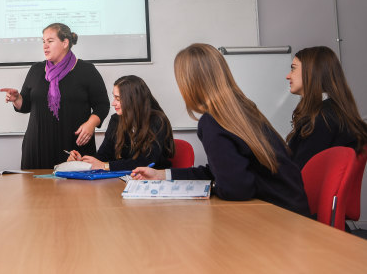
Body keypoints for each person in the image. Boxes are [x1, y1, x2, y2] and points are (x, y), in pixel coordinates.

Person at [132, 43, 310, 216]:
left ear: (191, 84)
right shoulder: (242, 110)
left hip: (278, 219)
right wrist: (161, 174)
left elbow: (236, 189)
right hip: (292, 212)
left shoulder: (213, 122)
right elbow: (221, 172)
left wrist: (208, 188)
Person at [0, 23, 110, 169]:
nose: (45, 46)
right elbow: (25, 105)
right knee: (35, 191)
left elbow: (102, 105)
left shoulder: (86, 70)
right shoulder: (36, 69)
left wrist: (91, 124)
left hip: (74, 147)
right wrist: (17, 99)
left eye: (50, 41)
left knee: (78, 191)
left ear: (65, 43)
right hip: (37, 147)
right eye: (43, 41)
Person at [67, 75, 174, 171]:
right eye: (114, 97)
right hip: (124, 179)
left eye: (118, 99)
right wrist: (83, 162)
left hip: (153, 182)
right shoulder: (116, 120)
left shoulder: (157, 121)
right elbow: (103, 155)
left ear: (133, 99)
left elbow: (145, 162)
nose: (113, 103)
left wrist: (105, 166)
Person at [286, 46, 367, 169]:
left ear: (311, 71)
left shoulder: (321, 121)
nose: (288, 76)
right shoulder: (333, 113)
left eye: (293, 69)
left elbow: (298, 174)